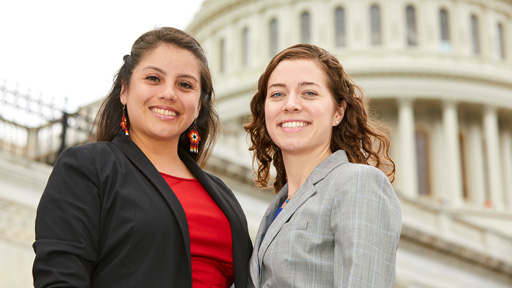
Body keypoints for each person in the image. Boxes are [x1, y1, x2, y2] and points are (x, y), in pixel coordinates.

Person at [33, 27, 252, 288]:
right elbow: (60, 278)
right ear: (124, 90)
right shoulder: (88, 168)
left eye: (185, 85)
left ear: (200, 105)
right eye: (153, 78)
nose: (169, 94)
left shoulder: (222, 194)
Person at [244, 43, 402, 287]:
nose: (291, 104)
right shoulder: (279, 205)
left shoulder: (357, 183)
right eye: (277, 94)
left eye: (309, 93)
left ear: (338, 112)